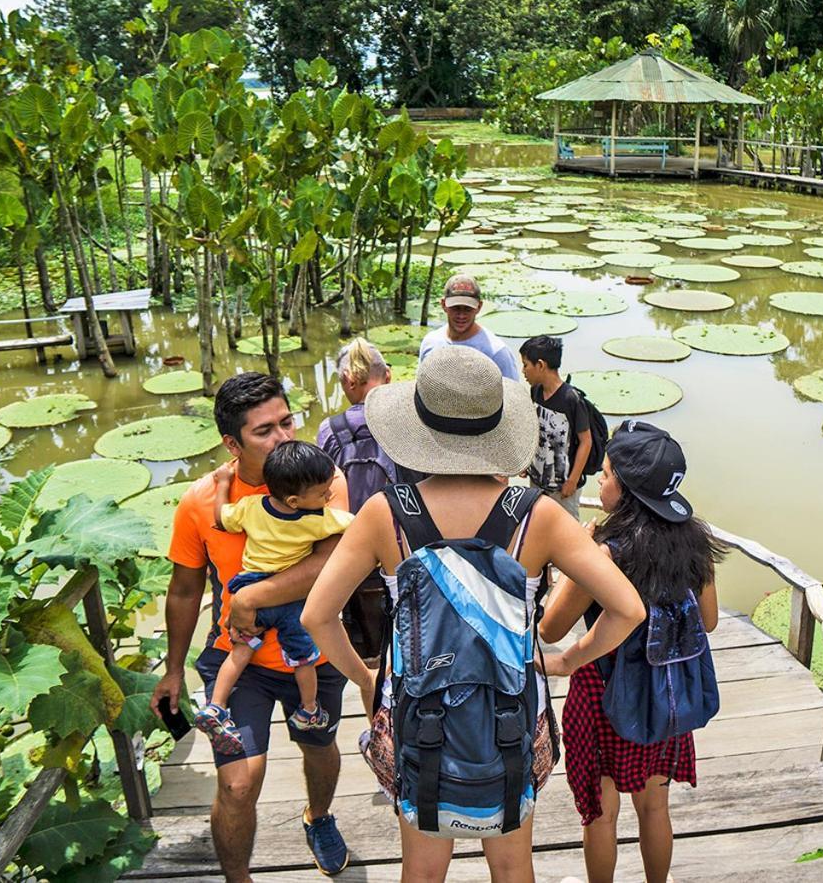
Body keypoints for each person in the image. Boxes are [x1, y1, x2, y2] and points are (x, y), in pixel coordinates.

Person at [300, 348, 646, 883]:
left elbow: (317, 618)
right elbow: (628, 608)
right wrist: (566, 660)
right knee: (511, 866)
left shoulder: (385, 513)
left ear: (417, 427)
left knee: (422, 869)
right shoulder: (538, 513)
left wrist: (368, 680)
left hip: (418, 714)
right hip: (512, 712)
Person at [149, 373, 352, 879]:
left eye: (287, 422)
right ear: (232, 444)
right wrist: (173, 670)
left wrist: (253, 596)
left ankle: (319, 815)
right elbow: (184, 589)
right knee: (238, 785)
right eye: (265, 430)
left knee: (320, 748)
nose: (284, 436)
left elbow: (332, 560)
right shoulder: (202, 502)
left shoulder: (322, 481)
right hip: (238, 659)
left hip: (313, 651)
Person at [540, 421, 726, 883]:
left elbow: (550, 628)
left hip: (603, 696)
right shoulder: (693, 541)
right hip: (664, 695)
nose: (599, 482)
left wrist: (574, 556)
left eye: (605, 475)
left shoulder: (605, 552)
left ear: (627, 490)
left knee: (601, 814)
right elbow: (708, 621)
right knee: (655, 807)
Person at [194, 441, 354, 754]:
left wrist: (224, 483)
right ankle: (309, 710)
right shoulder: (317, 520)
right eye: (323, 493)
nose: (329, 496)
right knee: (303, 658)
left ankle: (215, 707)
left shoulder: (252, 507)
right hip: (289, 598)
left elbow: (221, 518)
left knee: (239, 652)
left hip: (248, 586)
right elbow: (357, 525)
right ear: (295, 500)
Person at [317, 337, 423, 658]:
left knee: (365, 640)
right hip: (408, 546)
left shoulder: (330, 430)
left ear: (348, 381)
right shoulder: (413, 421)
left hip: (352, 552)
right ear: (387, 376)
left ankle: (371, 679)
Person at [519, 334, 593, 518]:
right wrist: (526, 462)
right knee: (537, 521)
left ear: (541, 365)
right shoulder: (535, 391)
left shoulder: (571, 399)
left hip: (564, 486)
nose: (523, 371)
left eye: (526, 364)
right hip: (538, 479)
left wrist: (573, 480)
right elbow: (534, 428)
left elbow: (586, 441)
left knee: (567, 529)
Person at [417, 274, 520, 380]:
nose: (461, 315)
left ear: (479, 307)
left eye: (468, 309)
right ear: (443, 305)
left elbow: (513, 393)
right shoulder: (430, 342)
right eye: (455, 308)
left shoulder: (496, 352)